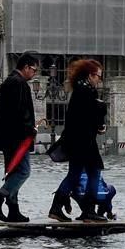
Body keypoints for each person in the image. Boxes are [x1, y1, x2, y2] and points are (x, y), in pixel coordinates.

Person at [0, 52, 38, 223]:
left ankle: (14, 210)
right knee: (23, 172)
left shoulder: (10, 81)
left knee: (13, 172)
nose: (34, 74)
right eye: (34, 70)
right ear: (26, 67)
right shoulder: (18, 83)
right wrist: (30, 130)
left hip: (10, 137)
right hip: (17, 138)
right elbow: (17, 113)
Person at [49, 58, 107, 223]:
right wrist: (100, 117)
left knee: (74, 174)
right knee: (94, 172)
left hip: (76, 140)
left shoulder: (80, 89)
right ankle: (88, 210)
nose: (99, 80)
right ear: (90, 75)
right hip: (84, 141)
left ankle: (56, 207)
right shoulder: (87, 91)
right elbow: (88, 115)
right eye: (98, 76)